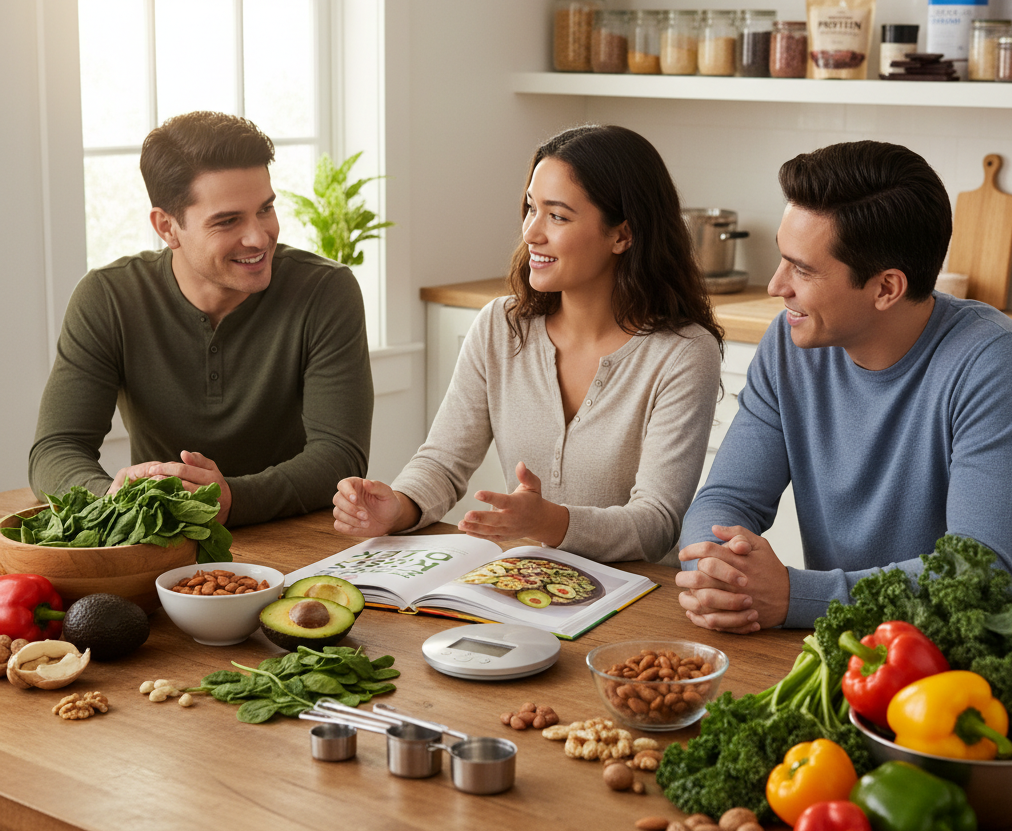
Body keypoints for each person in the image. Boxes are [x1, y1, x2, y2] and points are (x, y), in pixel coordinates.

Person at [332, 124, 723, 562]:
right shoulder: (501, 326)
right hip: (523, 582)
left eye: (557, 216)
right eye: (530, 208)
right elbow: (442, 463)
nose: (531, 232)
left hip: (636, 597)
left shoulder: (683, 353)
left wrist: (549, 522)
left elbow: (657, 522)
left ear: (622, 235)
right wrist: (398, 508)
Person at [677, 140, 1012, 632]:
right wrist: (715, 573)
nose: (776, 286)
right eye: (782, 258)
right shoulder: (789, 342)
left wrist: (799, 596)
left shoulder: (996, 363)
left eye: (802, 268)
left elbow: (983, 574)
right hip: (843, 651)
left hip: (959, 671)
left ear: (886, 288)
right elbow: (725, 499)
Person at [29, 111, 373, 527]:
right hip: (161, 542)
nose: (259, 237)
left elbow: (340, 453)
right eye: (228, 221)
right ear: (167, 227)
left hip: (297, 537)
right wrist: (111, 498)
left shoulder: (326, 291)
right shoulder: (108, 297)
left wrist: (231, 499)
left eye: (265, 209)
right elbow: (56, 449)